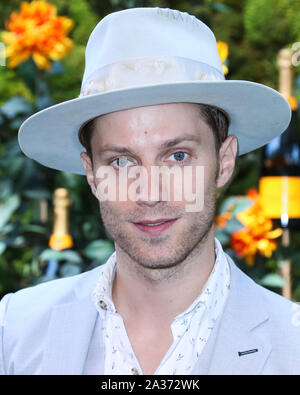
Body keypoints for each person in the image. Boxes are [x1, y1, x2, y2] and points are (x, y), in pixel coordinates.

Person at [1, 7, 299, 375]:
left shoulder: (293, 345)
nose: (151, 192)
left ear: (224, 162)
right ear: (92, 175)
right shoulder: (14, 331)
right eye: (121, 162)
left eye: (177, 156)